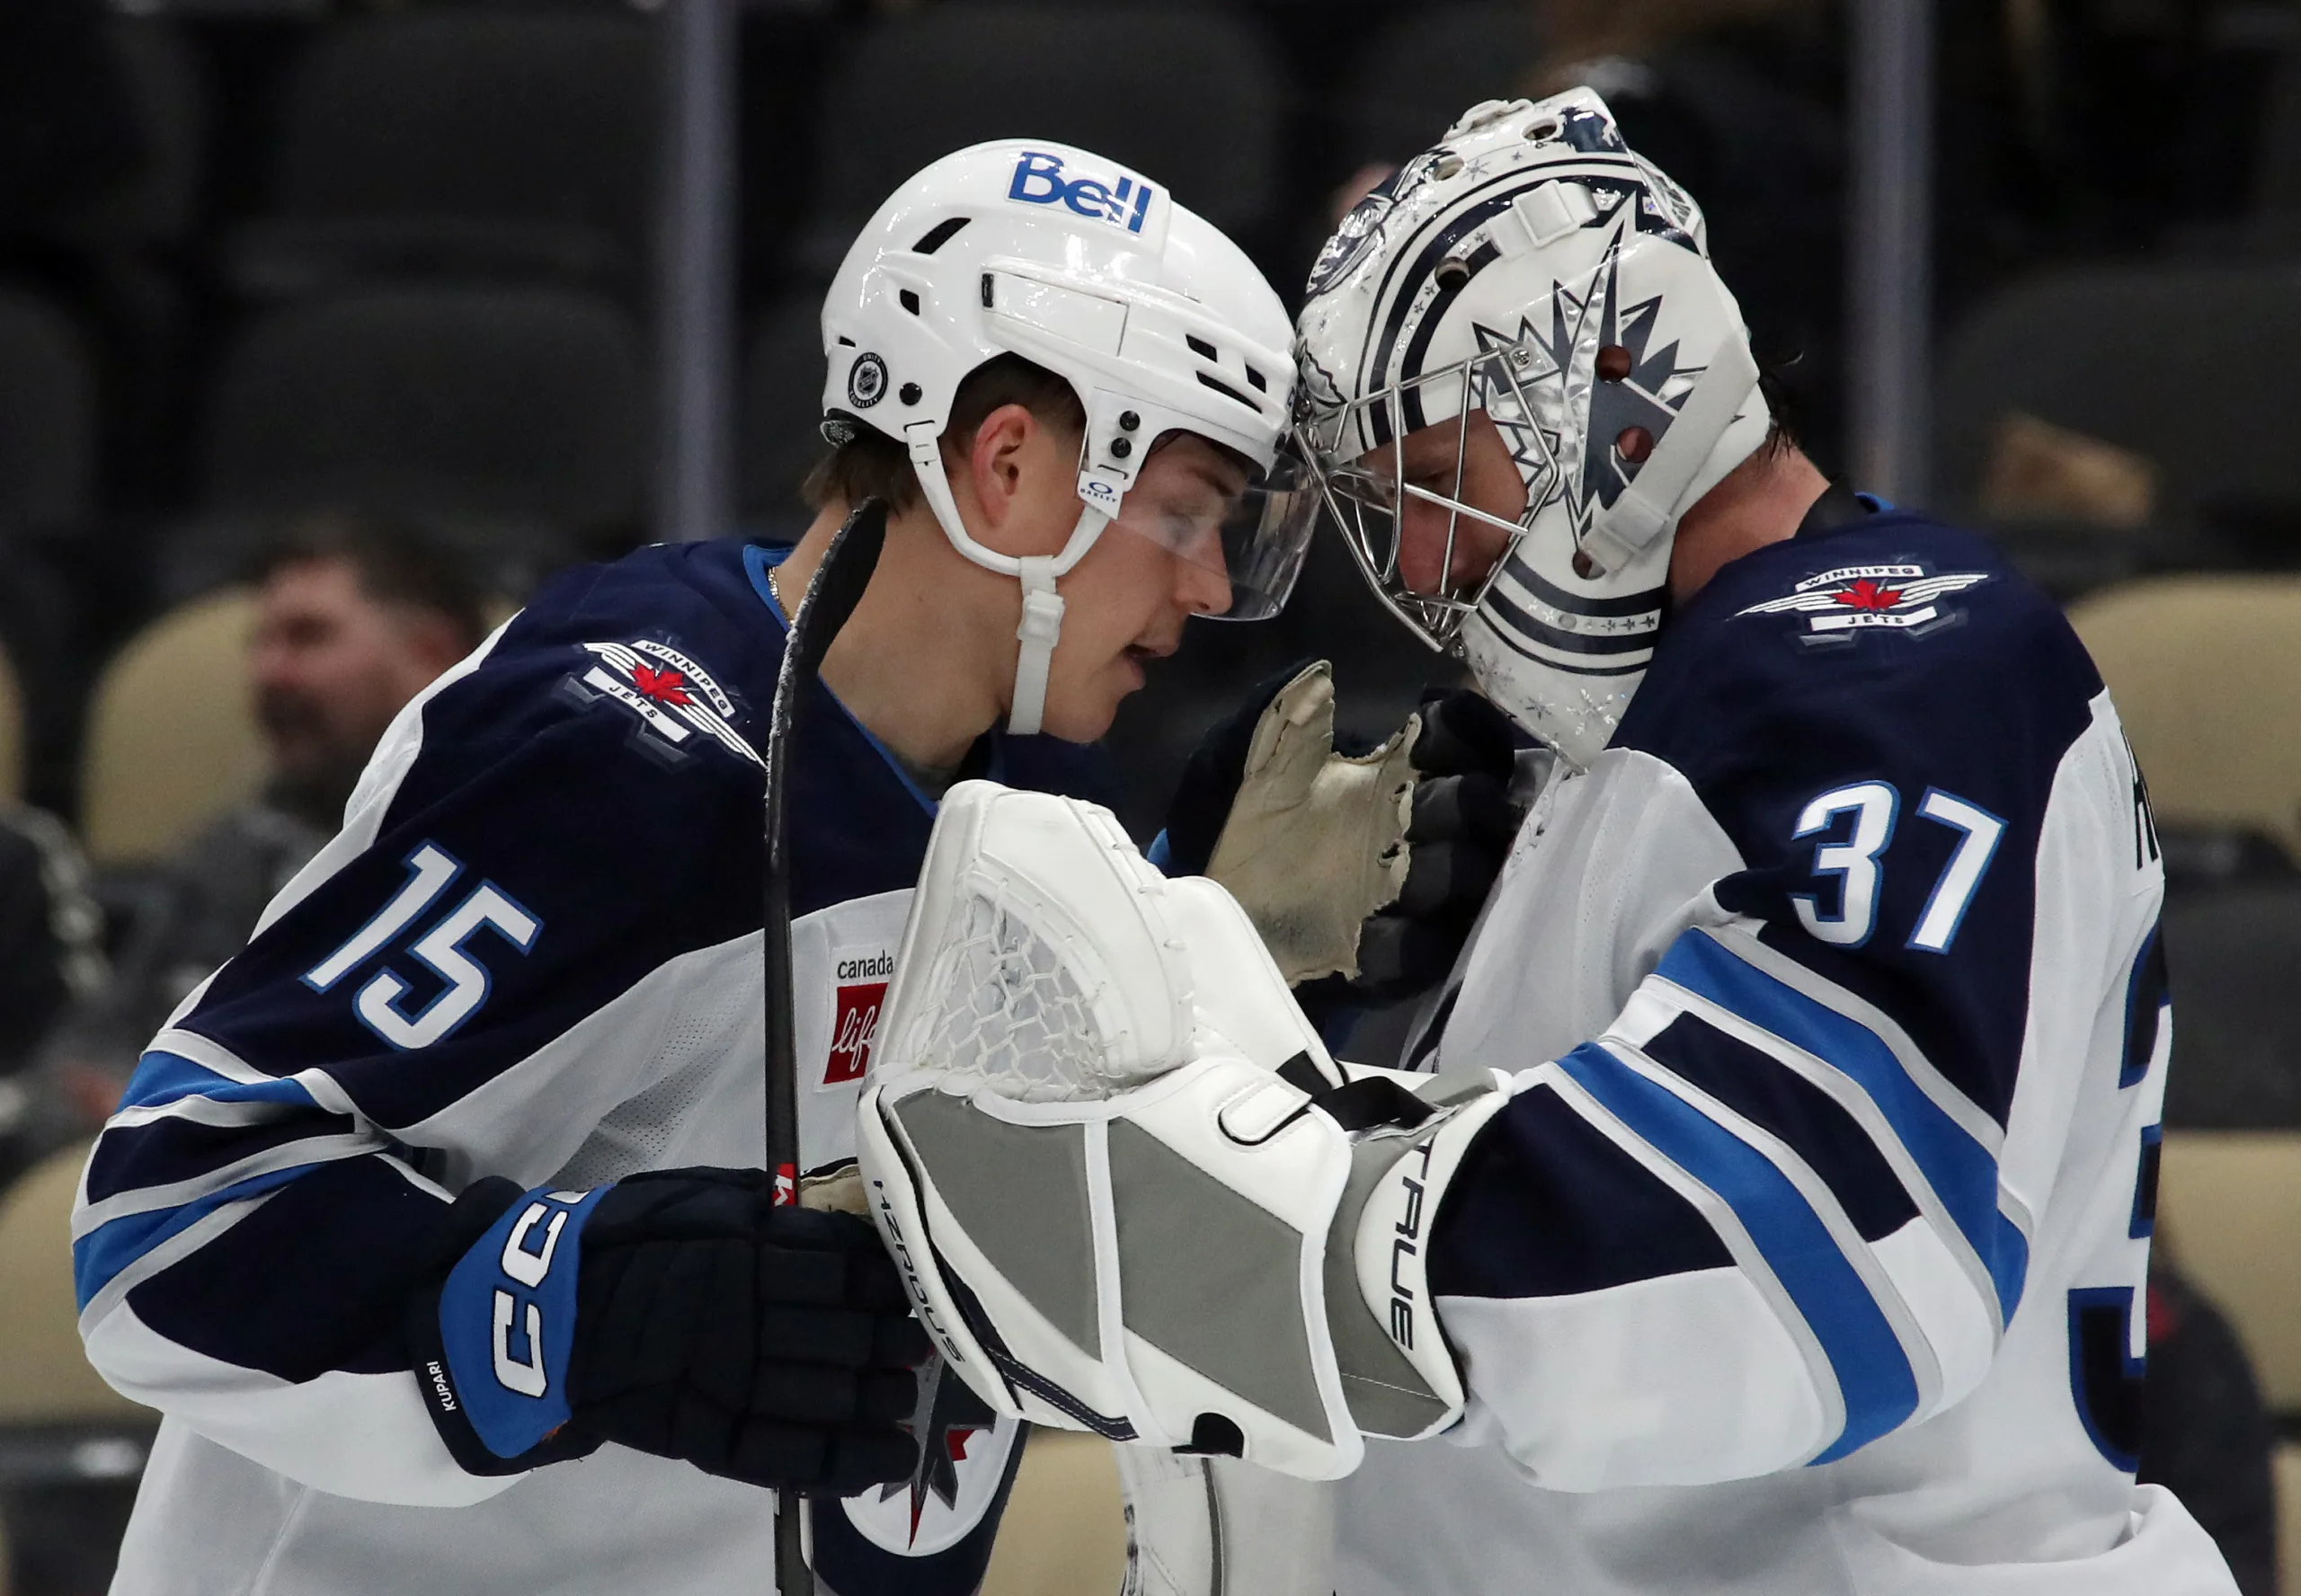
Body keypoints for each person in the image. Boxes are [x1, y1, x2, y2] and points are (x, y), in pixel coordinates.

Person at [861, 92, 2243, 1595]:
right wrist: (1271, 1010)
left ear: (1613, 384)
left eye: (1436, 475)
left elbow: (1822, 1250)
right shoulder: (1623, 733)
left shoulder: (1895, 662)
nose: (1419, 564)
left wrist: (1292, 1237)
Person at [72, 139, 1315, 1595]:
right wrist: (589, 1314)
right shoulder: (615, 753)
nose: (1212, 584)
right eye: (1183, 508)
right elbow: (169, 1224)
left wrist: (1259, 959)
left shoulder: (1038, 805)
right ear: (1012, 466)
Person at [43, 519, 489, 1129]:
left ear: (432, 654)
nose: (270, 672)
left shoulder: (526, 837)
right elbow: (86, 1065)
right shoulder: (234, 852)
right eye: (264, 642)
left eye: (309, 638)